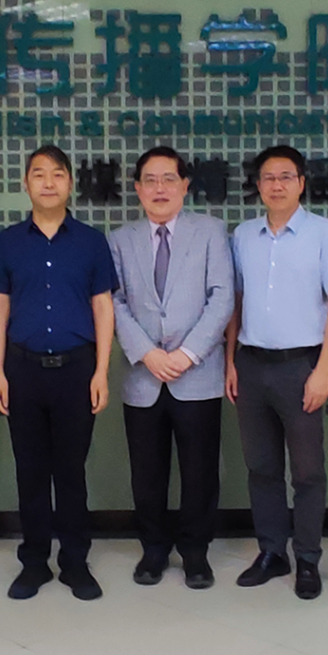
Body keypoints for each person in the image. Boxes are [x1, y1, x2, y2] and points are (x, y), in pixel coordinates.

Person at [0, 144, 118, 602]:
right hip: (21, 370)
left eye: (57, 174)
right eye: (38, 174)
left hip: (76, 370)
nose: (48, 182)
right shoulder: (7, 242)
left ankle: (75, 563)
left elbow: (103, 307)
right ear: (25, 184)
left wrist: (101, 371)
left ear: (70, 184)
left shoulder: (91, 241)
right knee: (30, 471)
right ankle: (34, 562)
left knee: (71, 471)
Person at [225, 145, 328, 600]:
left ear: (301, 182)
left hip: (303, 365)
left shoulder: (324, 233)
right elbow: (235, 305)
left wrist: (323, 371)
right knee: (260, 467)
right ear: (257, 185)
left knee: (307, 472)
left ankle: (309, 559)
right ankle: (271, 552)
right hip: (251, 365)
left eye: (285, 176)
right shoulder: (242, 235)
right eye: (267, 177)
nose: (276, 185)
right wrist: (230, 364)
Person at [108, 147, 234, 590]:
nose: (159, 188)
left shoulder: (212, 232)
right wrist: (147, 353)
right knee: (147, 471)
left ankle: (196, 553)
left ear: (185, 185)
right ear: (138, 188)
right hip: (144, 377)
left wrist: (187, 354)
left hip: (197, 374)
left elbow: (223, 297)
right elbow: (115, 302)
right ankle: (154, 550)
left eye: (168, 179)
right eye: (150, 180)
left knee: (200, 471)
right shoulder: (120, 239)